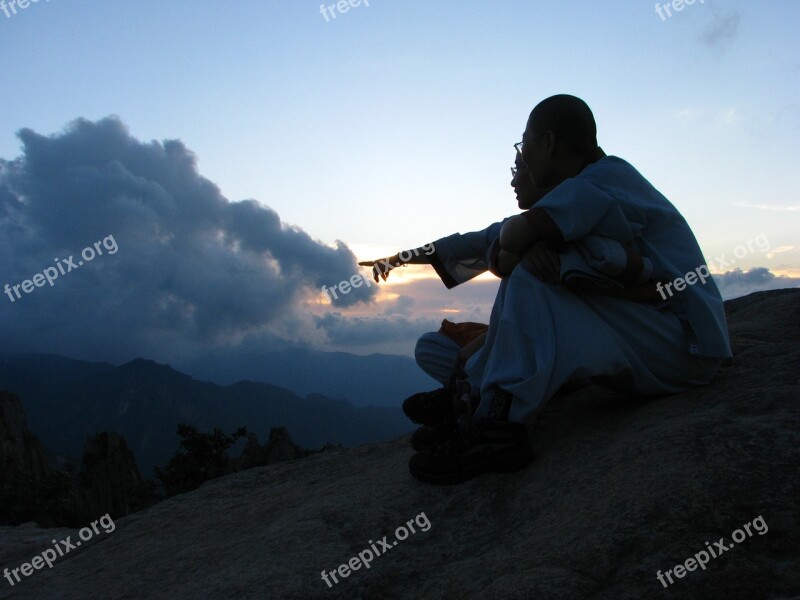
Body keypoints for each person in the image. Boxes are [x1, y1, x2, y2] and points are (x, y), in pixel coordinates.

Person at [360, 94, 732, 485]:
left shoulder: (605, 179)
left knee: (534, 277)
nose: (522, 157)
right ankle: (476, 398)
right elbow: (481, 240)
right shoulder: (583, 192)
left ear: (549, 142)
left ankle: (497, 426)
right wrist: (400, 259)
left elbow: (516, 235)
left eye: (525, 144)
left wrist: (525, 243)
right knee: (527, 275)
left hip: (682, 343)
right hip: (651, 337)